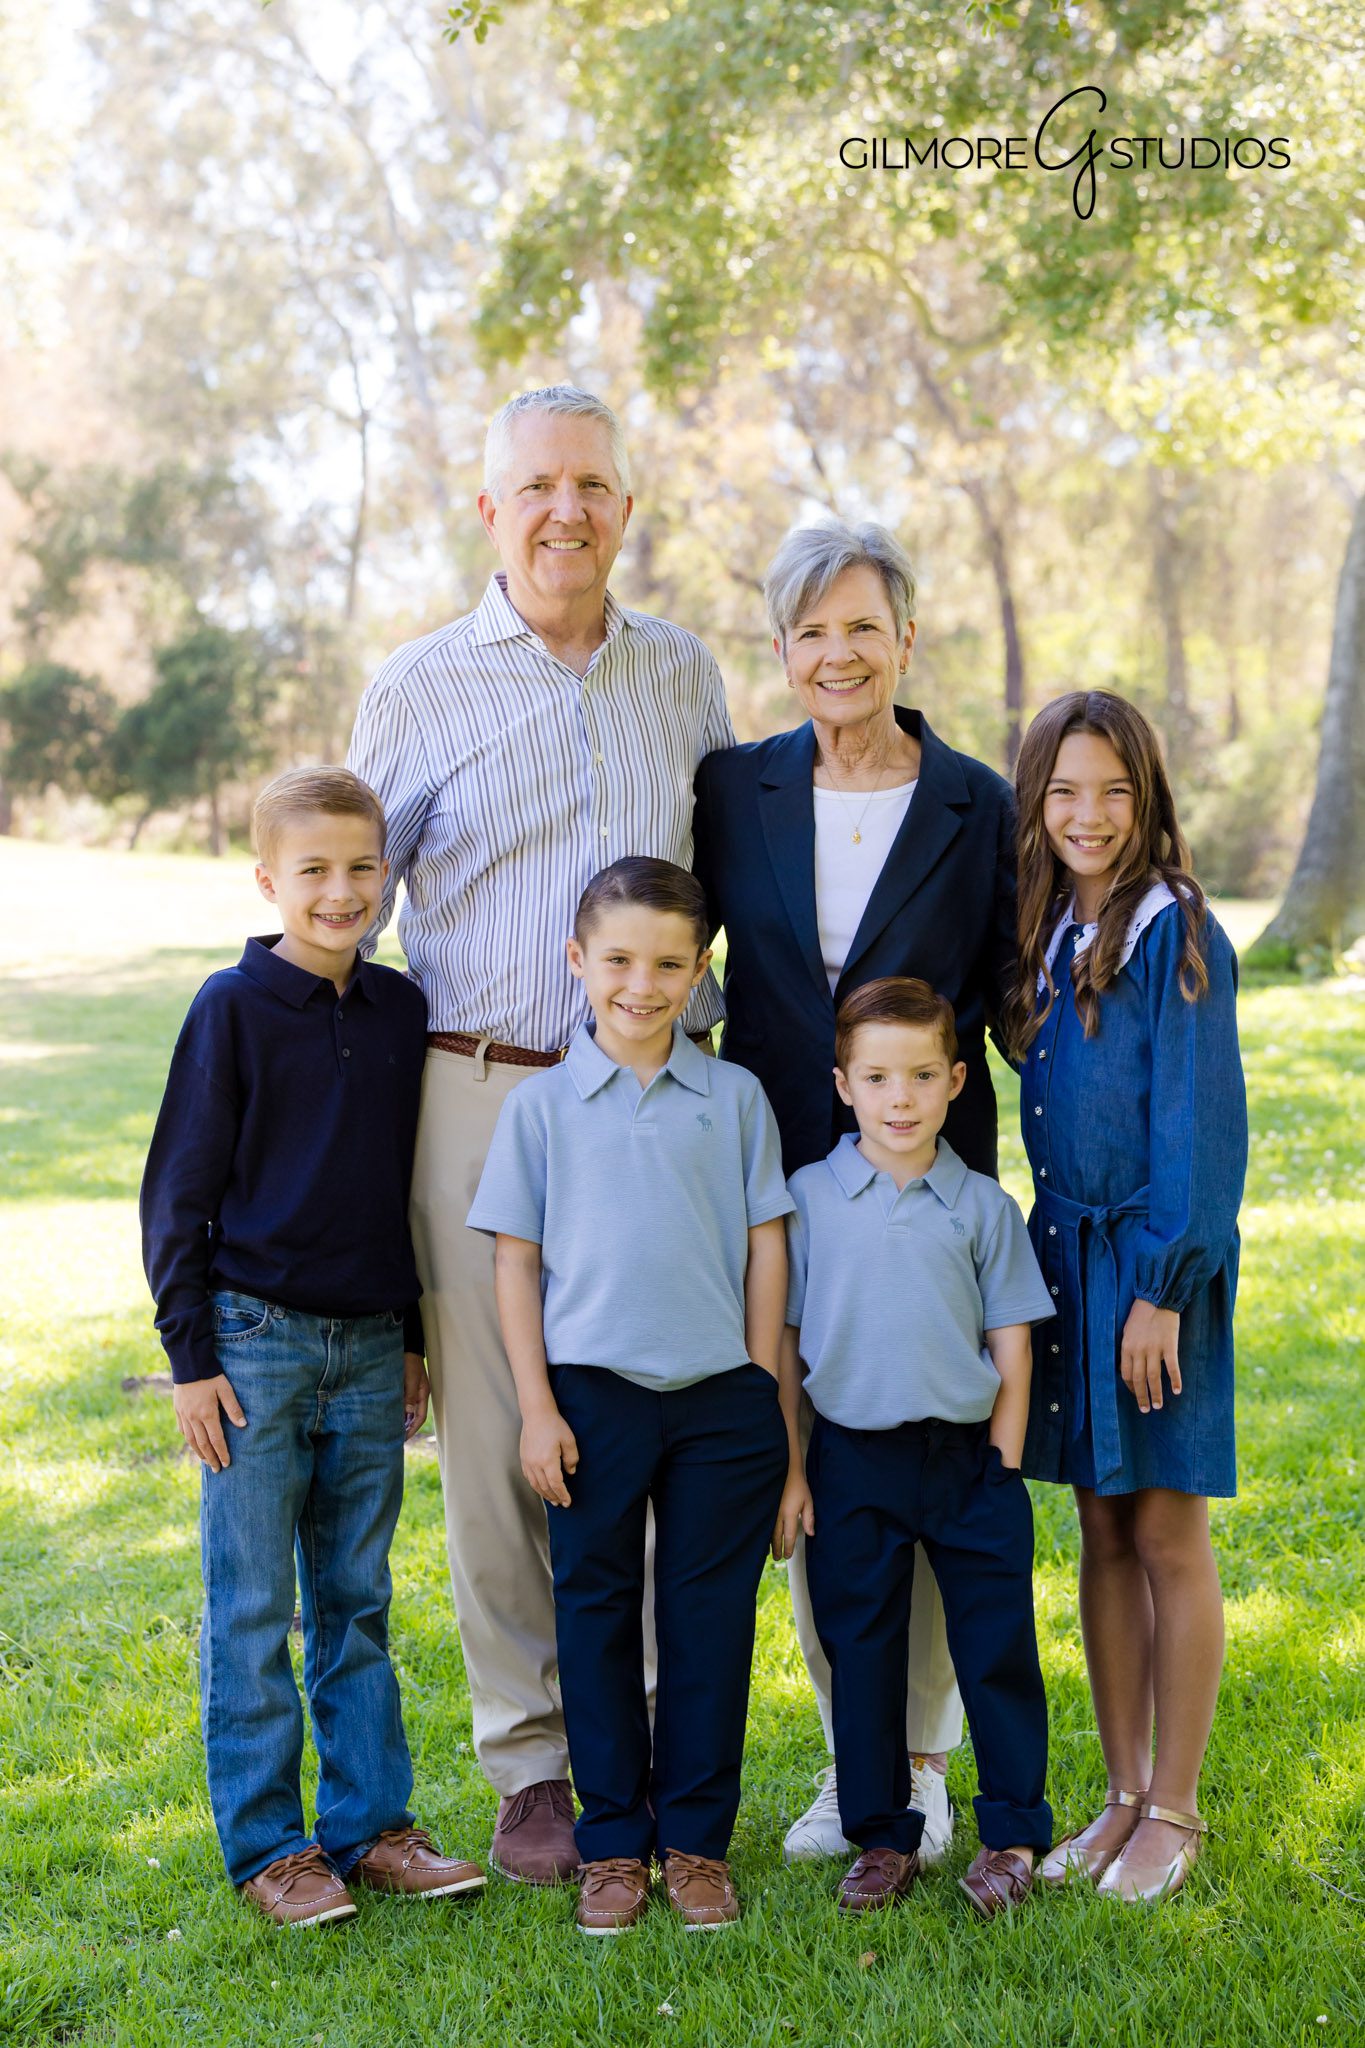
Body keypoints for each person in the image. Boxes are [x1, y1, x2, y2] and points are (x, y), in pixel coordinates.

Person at [346, 387, 734, 1883]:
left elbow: (730, 891)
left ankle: (635, 1728)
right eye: (537, 486)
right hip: (486, 1089)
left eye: (592, 484)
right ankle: (529, 1759)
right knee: (505, 1432)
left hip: (656, 1101)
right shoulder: (420, 684)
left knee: (641, 1399)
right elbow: (350, 910)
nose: (565, 509)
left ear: (626, 508)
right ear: (490, 508)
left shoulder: (684, 678)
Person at [693, 519, 1017, 1862]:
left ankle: (925, 1765)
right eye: (810, 631)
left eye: (862, 627)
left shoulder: (975, 800)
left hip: (931, 1180)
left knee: (927, 1457)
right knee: (812, 1461)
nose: (837, 653)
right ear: (779, 651)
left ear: (906, 639)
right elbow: (668, 948)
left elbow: (1012, 988)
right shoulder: (734, 789)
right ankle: (853, 1759)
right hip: (775, 1179)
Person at [140, 767, 485, 1927]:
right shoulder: (229, 1007)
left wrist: (416, 1337)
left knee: (355, 1595)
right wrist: (192, 1357)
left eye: (360, 867)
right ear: (267, 879)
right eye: (315, 870)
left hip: (371, 1339)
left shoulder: (398, 1009)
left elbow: (406, 1191)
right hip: (254, 1345)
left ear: (385, 873)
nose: (341, 891)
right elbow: (177, 1192)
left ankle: (373, 1825)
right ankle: (270, 1848)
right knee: (250, 1605)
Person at [468, 859, 792, 1934]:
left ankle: (695, 1841)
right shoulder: (541, 1106)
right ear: (577, 960)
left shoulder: (735, 1098)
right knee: (595, 1617)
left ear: (700, 971)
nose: (641, 984)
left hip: (719, 1402)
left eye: (667, 963)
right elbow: (516, 1264)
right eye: (617, 959)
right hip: (592, 1399)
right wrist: (537, 1405)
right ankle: (613, 1840)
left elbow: (765, 1245)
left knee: (708, 1623)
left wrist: (760, 1387)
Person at [1004, 691, 1247, 1903]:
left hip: (1157, 1273)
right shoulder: (1048, 933)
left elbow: (1197, 1134)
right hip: (1069, 1269)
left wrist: (1161, 1287)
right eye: (1063, 792)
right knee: (1099, 1525)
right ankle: (1118, 1790)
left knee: (1164, 1526)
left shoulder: (1179, 931)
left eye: (1112, 790)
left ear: (1146, 796)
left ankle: (1179, 1807)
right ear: (1034, 806)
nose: (1088, 814)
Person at [778, 977, 1055, 1916]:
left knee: (996, 1648)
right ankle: (880, 1838)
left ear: (958, 1082)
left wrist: (1005, 1459)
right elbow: (780, 1346)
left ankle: (1012, 1835)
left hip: (969, 1460)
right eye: (878, 1077)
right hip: (850, 1459)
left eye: (922, 1076)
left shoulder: (980, 1206)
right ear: (843, 1084)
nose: (900, 1098)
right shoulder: (808, 1198)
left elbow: (1011, 1342)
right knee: (862, 1652)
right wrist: (792, 1469)